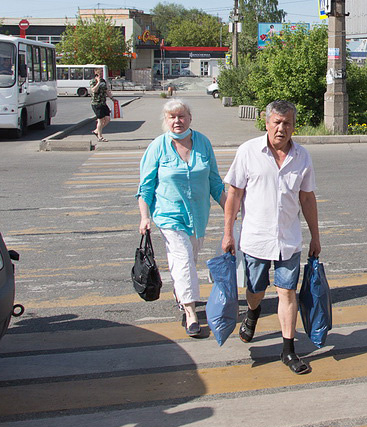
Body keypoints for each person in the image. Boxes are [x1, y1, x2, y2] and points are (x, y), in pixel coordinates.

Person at [222, 100, 321, 375]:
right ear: (266, 124)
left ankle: (288, 350)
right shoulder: (248, 152)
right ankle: (252, 313)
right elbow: (234, 194)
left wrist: (315, 236)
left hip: (288, 240)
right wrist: (228, 233)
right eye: (276, 122)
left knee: (287, 292)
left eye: (287, 123)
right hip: (255, 239)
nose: (281, 128)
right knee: (255, 290)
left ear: (294, 126)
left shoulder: (302, 156)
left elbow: (307, 197)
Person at [136, 98, 226, 338]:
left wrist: (231, 209)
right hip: (169, 215)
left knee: (189, 260)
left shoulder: (203, 143)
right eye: (172, 117)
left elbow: (214, 182)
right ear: (166, 121)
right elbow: (145, 187)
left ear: (190, 118)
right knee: (184, 260)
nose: (177, 121)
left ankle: (181, 293)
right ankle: (191, 314)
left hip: (198, 216)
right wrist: (144, 217)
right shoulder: (158, 146)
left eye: (181, 116)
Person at [90, 69, 116, 142]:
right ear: (95, 73)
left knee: (107, 119)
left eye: (101, 73)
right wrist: (98, 82)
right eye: (99, 73)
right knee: (100, 120)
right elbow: (94, 90)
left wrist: (112, 98)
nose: (100, 74)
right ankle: (100, 137)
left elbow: (106, 90)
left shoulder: (103, 81)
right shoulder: (93, 81)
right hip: (96, 103)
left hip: (103, 103)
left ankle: (96, 131)